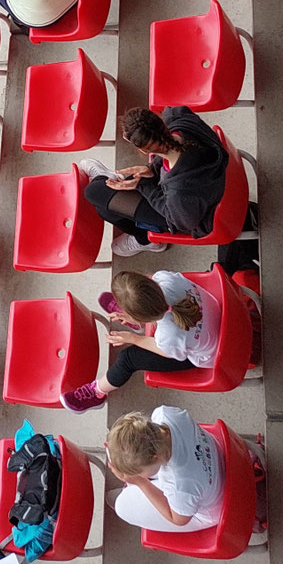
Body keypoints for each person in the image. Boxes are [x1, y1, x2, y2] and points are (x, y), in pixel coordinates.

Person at [62, 268, 224, 412]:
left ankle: (97, 392)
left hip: (207, 354)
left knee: (128, 358)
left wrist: (134, 338)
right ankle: (139, 310)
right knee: (158, 331)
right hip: (218, 316)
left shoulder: (168, 336)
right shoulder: (165, 278)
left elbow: (166, 351)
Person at [84, 105, 232, 256]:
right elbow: (176, 147)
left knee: (94, 193)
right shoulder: (179, 117)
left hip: (185, 211)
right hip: (209, 180)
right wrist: (153, 168)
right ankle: (141, 236)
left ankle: (146, 240)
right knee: (104, 208)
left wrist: (145, 185)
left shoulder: (178, 192)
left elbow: (182, 221)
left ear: (142, 149)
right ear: (161, 121)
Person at [106, 407, 231, 535]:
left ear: (156, 457)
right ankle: (134, 483)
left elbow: (178, 519)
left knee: (122, 506)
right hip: (222, 455)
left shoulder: (180, 485)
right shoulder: (164, 414)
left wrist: (141, 482)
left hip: (216, 506)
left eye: (139, 472)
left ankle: (130, 490)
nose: (138, 475)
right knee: (117, 452)